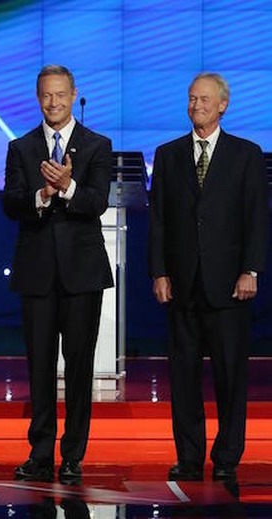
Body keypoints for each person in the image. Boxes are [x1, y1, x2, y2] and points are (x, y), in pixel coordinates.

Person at [148, 72, 268, 482]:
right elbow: (159, 220)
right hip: (182, 284)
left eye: (203, 99)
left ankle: (228, 456)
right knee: (183, 376)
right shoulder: (168, 155)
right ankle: (189, 457)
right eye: (191, 98)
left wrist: (250, 270)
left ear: (223, 105)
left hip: (230, 285)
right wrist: (160, 271)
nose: (195, 105)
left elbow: (256, 218)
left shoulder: (246, 154)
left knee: (230, 376)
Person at [2, 65, 114, 484]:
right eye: (47, 95)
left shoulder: (97, 145)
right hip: (37, 273)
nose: (54, 102)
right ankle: (41, 452)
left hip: (82, 274)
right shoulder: (21, 147)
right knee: (40, 367)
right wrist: (43, 193)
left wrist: (67, 187)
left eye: (61, 95)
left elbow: (97, 202)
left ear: (73, 94)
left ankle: (73, 455)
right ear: (38, 98)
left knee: (79, 367)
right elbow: (11, 204)